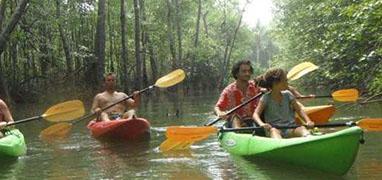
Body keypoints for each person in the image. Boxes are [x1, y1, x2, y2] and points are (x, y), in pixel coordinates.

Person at [253, 68, 314, 139]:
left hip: (291, 128)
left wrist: (308, 121)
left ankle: (309, 138)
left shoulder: (288, 94)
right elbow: (255, 114)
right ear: (276, 83)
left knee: (302, 128)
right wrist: (262, 124)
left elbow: (299, 110)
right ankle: (279, 143)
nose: (287, 83)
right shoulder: (265, 98)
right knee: (274, 131)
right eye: (285, 80)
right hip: (274, 129)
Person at [214, 60, 261, 128]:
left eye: (249, 71)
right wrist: (220, 113)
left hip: (253, 120)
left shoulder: (256, 87)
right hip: (235, 121)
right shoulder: (229, 90)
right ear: (236, 74)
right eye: (244, 71)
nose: (247, 73)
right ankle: (239, 132)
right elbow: (217, 107)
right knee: (235, 116)